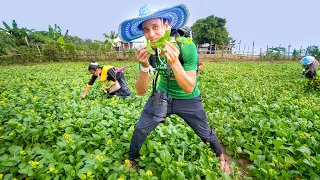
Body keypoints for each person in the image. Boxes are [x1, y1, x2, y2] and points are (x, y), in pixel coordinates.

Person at [118, 3, 231, 173]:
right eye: (146, 30)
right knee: (141, 128)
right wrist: (143, 65)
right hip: (162, 93)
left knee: (205, 132)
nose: (151, 34)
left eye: (155, 27)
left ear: (166, 24)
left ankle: (221, 157)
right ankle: (132, 158)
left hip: (188, 98)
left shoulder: (186, 46)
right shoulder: (149, 51)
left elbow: (188, 87)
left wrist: (175, 62)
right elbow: (141, 91)